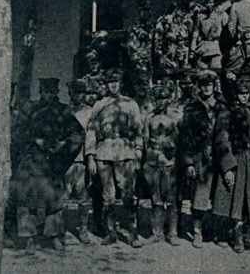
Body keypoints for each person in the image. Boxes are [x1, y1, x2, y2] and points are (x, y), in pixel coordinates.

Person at [11, 78, 85, 253]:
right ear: (40, 92)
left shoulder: (64, 111)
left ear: (57, 92)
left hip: (54, 161)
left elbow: (78, 133)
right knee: (27, 198)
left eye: (52, 92)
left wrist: (64, 145)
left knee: (54, 200)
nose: (49, 95)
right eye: (45, 92)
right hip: (32, 161)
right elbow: (17, 132)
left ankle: (54, 236)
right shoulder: (30, 109)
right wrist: (34, 139)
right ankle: (28, 237)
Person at [212, 79, 250, 253]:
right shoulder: (226, 113)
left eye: (247, 93)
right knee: (236, 202)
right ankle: (237, 238)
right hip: (236, 161)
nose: (244, 97)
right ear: (235, 94)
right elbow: (221, 141)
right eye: (241, 93)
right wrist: (227, 168)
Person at [84, 69, 145, 247]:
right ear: (106, 84)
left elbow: (138, 130)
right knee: (108, 196)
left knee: (128, 194)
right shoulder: (99, 104)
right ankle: (110, 232)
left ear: (121, 83)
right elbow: (92, 131)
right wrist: (90, 155)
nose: (113, 85)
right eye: (110, 82)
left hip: (125, 152)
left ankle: (133, 233)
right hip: (104, 153)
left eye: (116, 82)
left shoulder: (130, 104)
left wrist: (139, 150)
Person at [178, 69, 225, 248]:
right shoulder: (192, 108)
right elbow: (185, 136)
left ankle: (215, 231)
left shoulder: (222, 106)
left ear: (214, 86)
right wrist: (189, 161)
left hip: (220, 155)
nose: (206, 89)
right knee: (200, 195)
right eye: (203, 85)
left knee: (219, 195)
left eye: (209, 85)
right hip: (200, 157)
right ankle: (197, 232)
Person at [142, 84, 182, 245]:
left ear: (169, 98)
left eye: (164, 98)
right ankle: (157, 233)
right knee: (156, 199)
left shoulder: (176, 116)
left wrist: (173, 147)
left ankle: (172, 233)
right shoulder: (149, 117)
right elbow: (145, 139)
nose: (160, 102)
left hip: (170, 162)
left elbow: (183, 139)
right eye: (157, 99)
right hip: (152, 161)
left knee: (171, 199)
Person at [63, 79, 97, 245]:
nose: (78, 96)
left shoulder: (90, 112)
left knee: (83, 196)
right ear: (70, 94)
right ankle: (59, 230)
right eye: (75, 93)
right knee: (64, 195)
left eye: (81, 93)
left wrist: (90, 158)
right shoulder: (64, 111)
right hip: (65, 160)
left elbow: (91, 136)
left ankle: (83, 230)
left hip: (82, 159)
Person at [191, 0, 229, 69]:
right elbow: (195, 34)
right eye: (207, 3)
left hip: (216, 46)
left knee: (216, 67)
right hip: (203, 47)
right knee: (202, 69)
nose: (209, 5)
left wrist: (226, 49)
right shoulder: (200, 16)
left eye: (211, 2)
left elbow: (228, 32)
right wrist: (192, 50)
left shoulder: (222, 15)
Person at [126, 0, 155, 78]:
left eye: (150, 10)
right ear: (140, 11)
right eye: (146, 10)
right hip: (139, 68)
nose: (149, 13)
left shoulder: (152, 28)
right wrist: (140, 64)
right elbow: (132, 51)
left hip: (150, 67)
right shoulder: (134, 29)